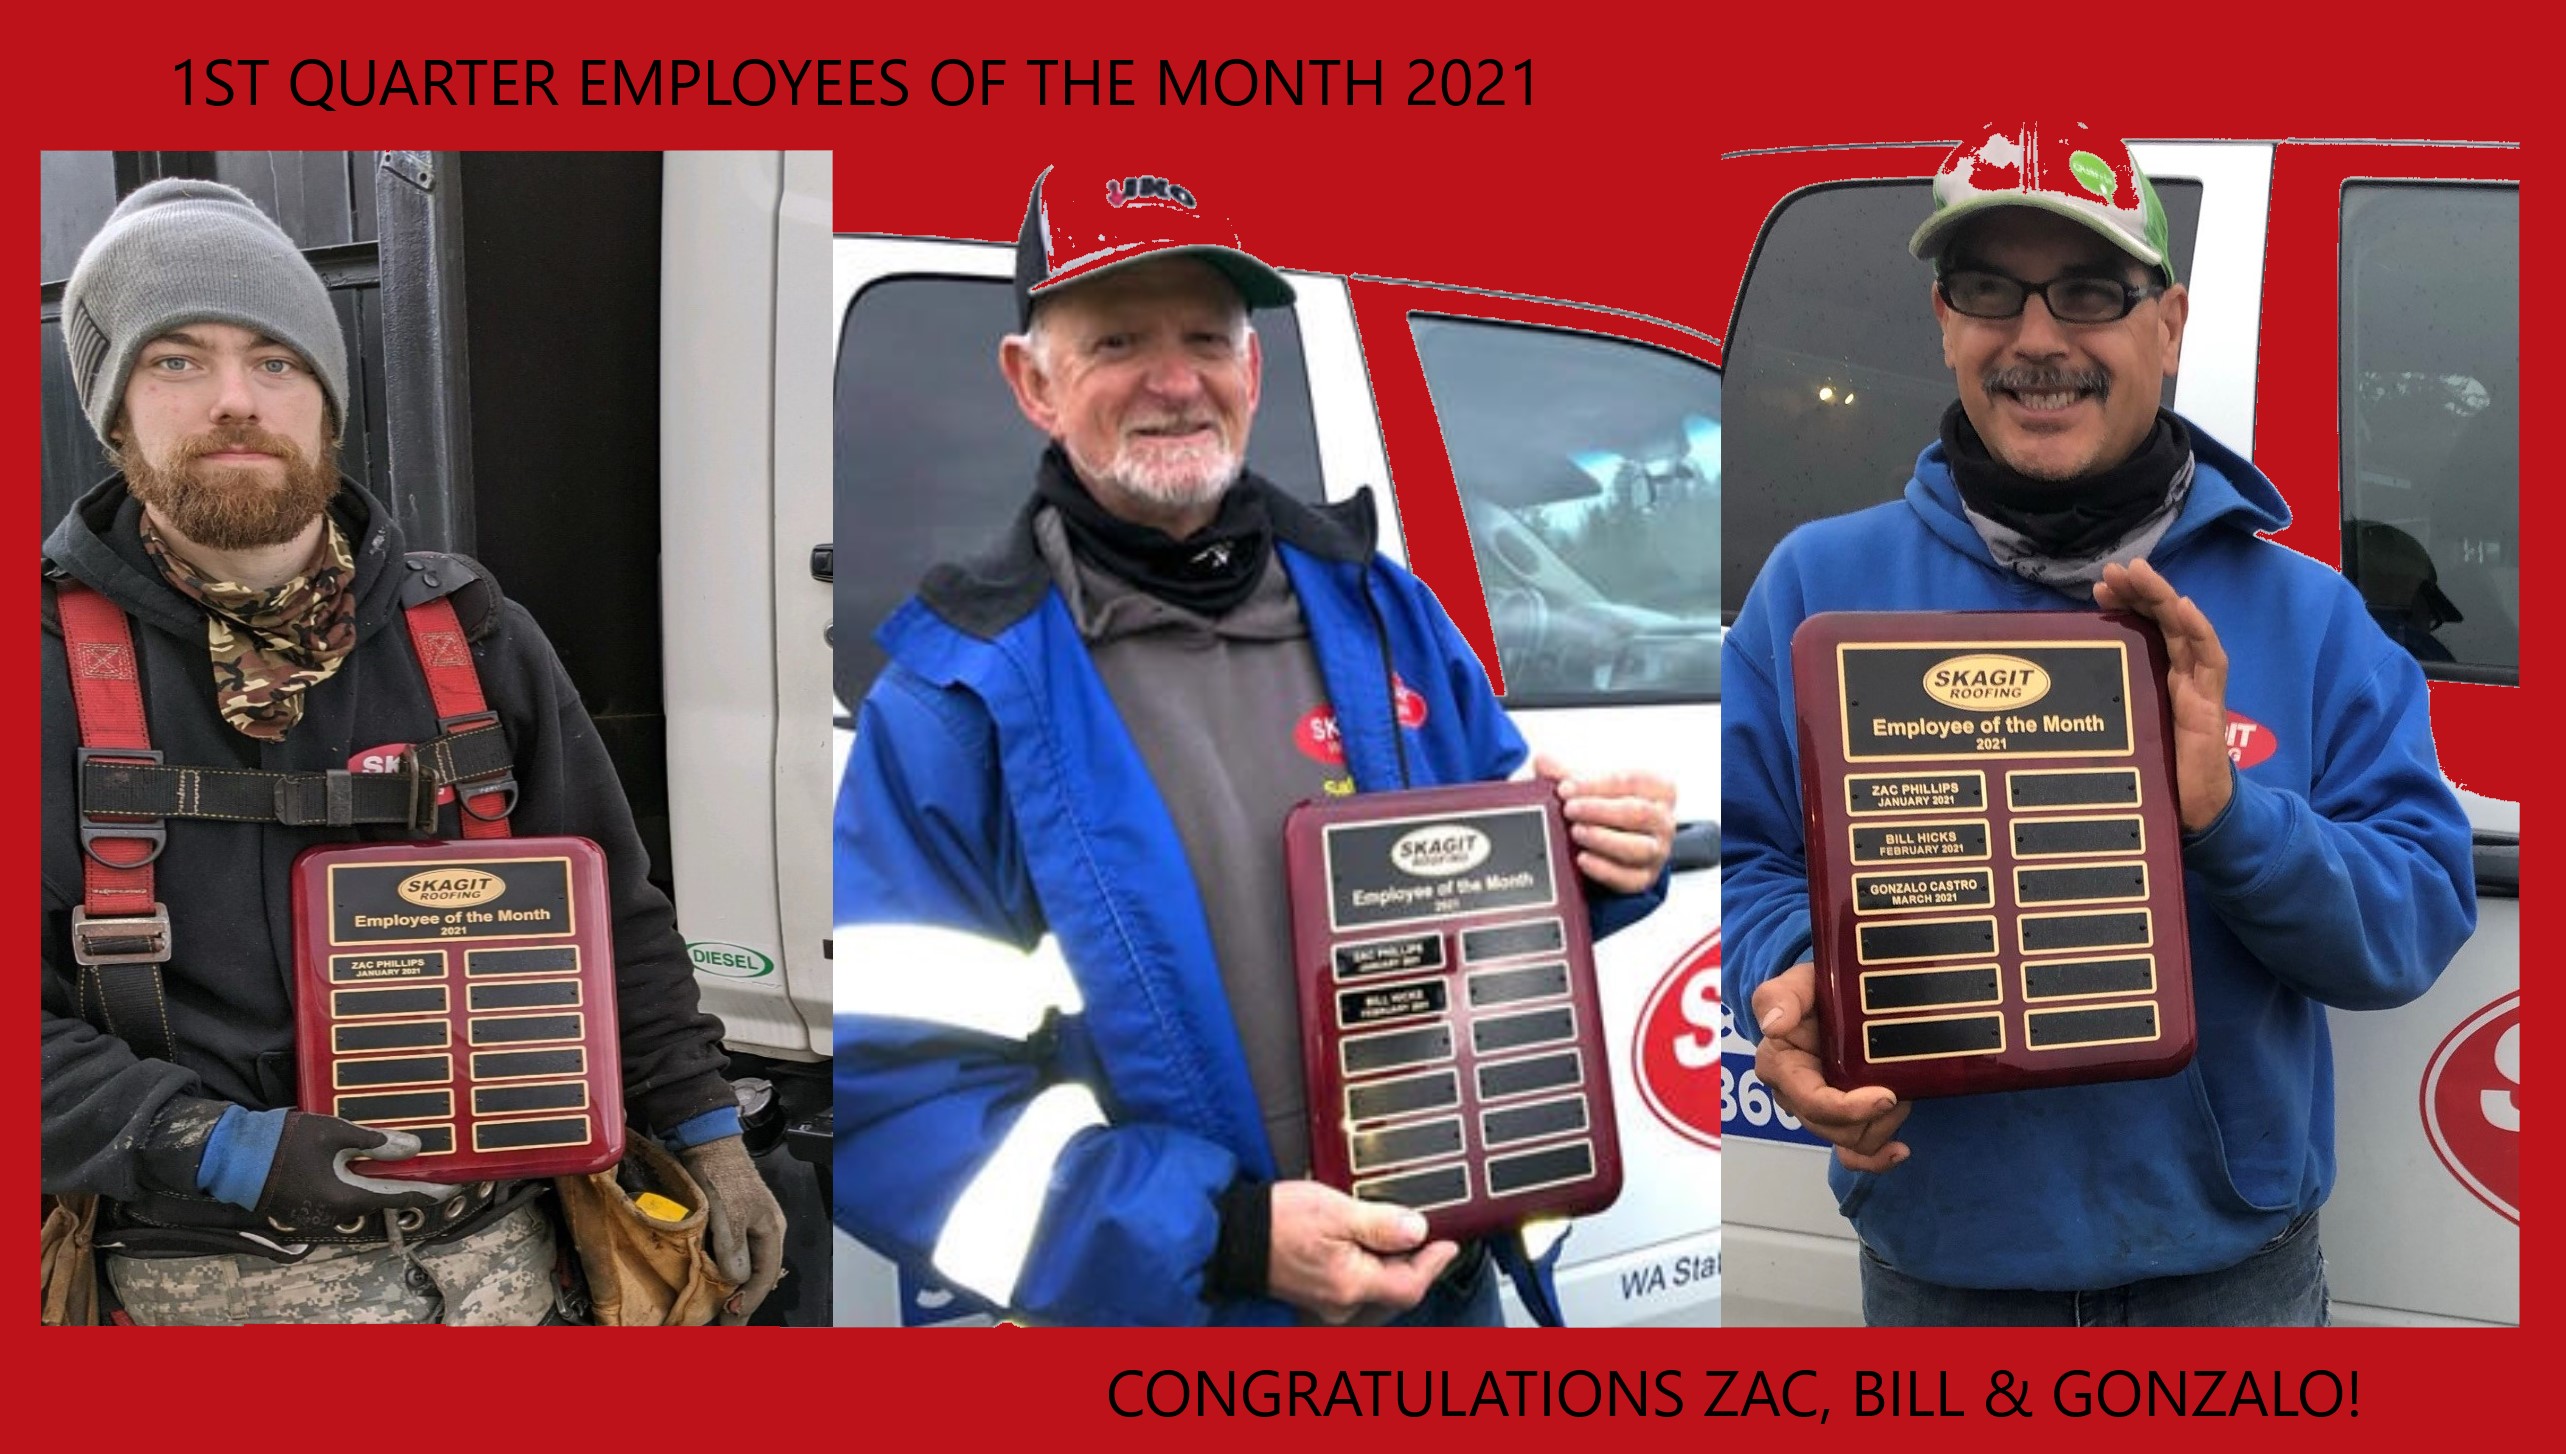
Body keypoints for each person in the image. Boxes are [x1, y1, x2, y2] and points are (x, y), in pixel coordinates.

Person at [832, 165, 1678, 1326]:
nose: (1174, 381)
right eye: (1117, 337)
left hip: (1446, 1297)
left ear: (1254, 368)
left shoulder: (1388, 612)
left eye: (1205, 337)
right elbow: (905, 1109)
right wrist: (1227, 1238)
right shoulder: (947, 709)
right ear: (1032, 382)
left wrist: (1595, 859)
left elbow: (1495, 908)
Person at [1719, 125, 2476, 1326]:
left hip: (2233, 1277)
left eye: (2088, 291)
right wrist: (1788, 976)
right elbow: (1750, 863)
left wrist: (2230, 821)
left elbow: (2415, 920)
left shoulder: (2311, 614)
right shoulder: (1813, 588)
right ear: (1944, 320)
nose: (2036, 339)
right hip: (1941, 1266)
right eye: (1989, 290)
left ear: (2165, 326)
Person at [40, 178, 785, 1324]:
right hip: (200, 1293)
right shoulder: (41, 671)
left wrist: (709, 1135)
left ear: (329, 399)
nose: (237, 398)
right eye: (176, 360)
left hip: (512, 1272)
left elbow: (617, 920)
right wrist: (215, 1142)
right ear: (114, 408)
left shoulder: (475, 639)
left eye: (277, 359)